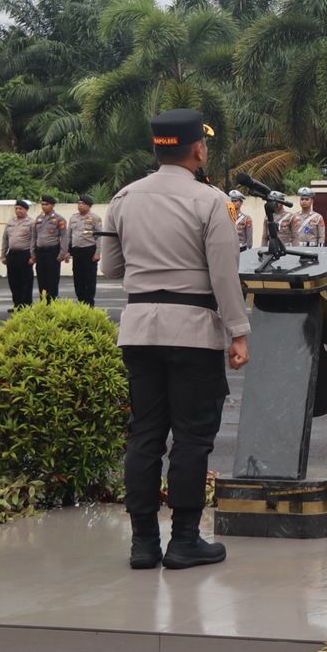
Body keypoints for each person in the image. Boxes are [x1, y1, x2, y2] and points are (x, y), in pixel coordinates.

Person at [103, 108, 250, 571]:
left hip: (139, 329)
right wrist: (239, 332)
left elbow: (110, 268)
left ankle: (143, 544)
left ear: (156, 147)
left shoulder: (123, 197)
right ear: (199, 150)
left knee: (144, 435)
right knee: (191, 438)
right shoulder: (211, 201)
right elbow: (224, 275)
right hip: (193, 332)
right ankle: (184, 540)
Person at [66, 194, 103, 306]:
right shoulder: (73, 218)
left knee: (89, 278)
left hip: (89, 251)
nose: (80, 205)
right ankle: (80, 302)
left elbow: (100, 236)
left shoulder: (95, 218)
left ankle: (89, 303)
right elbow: (69, 236)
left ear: (89, 206)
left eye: (83, 203)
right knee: (78, 278)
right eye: (79, 203)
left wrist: (97, 253)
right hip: (76, 251)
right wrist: (67, 251)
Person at [32, 194, 69, 301]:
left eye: (46, 204)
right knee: (41, 278)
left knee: (52, 279)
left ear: (52, 205)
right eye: (42, 204)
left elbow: (64, 236)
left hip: (52, 252)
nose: (44, 206)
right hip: (40, 252)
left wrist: (62, 252)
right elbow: (34, 236)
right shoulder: (39, 218)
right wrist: (32, 252)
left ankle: (52, 302)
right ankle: (43, 302)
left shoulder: (59, 219)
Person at [0, 200, 36, 309]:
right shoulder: (10, 222)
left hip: (25, 254)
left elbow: (34, 240)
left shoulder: (31, 223)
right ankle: (17, 304)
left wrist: (33, 256)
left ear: (26, 210)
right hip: (12, 255)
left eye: (20, 208)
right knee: (13, 281)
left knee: (25, 281)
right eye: (16, 208)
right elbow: (5, 239)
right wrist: (3, 255)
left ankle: (26, 305)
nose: (18, 210)